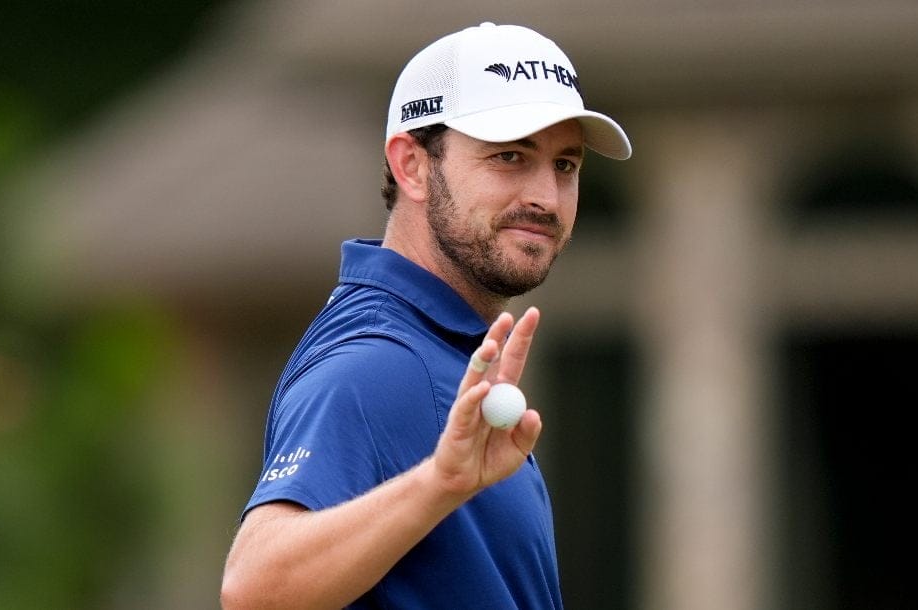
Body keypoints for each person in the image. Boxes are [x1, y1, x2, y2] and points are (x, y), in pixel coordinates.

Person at [220, 22, 631, 610]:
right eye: (510, 156)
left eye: (565, 165)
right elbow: (254, 589)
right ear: (412, 165)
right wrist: (440, 482)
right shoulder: (381, 362)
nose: (546, 196)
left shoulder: (432, 347)